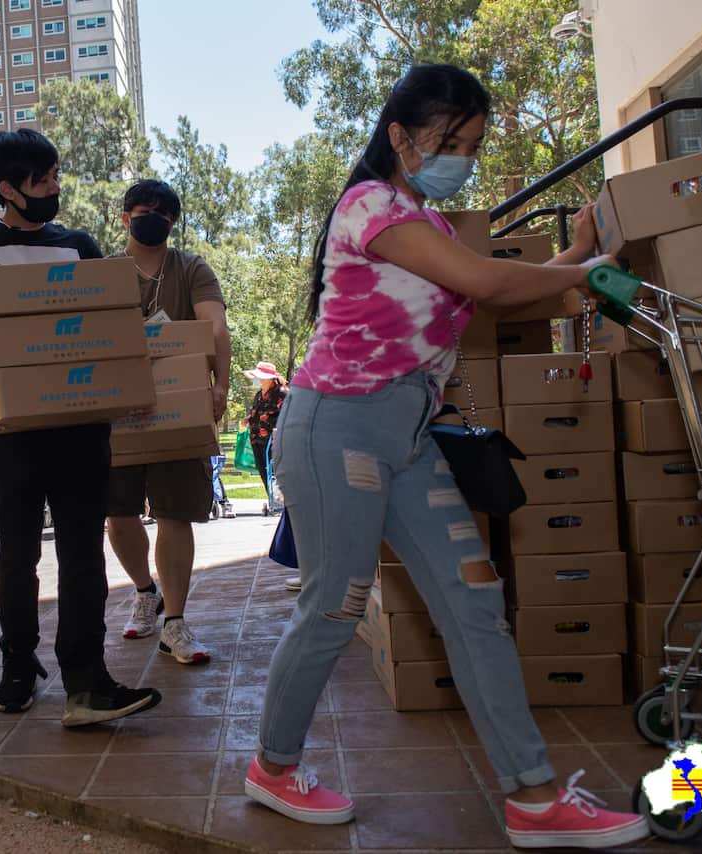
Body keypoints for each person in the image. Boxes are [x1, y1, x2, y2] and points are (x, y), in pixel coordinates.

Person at [242, 64, 647, 850]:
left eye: (472, 146)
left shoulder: (427, 225)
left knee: (474, 602)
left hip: (407, 437)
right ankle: (273, 766)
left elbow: (500, 284)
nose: (462, 158)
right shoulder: (370, 206)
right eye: (449, 142)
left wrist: (578, 256)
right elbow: (486, 282)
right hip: (336, 431)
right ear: (399, 136)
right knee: (335, 604)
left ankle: (534, 799)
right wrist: (583, 269)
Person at [0, 128, 161, 726]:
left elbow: (108, 318)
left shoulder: (78, 244)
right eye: (45, 180)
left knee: (83, 551)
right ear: (10, 189)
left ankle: (86, 682)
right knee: (18, 549)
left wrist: (126, 385)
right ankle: (18, 662)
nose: (55, 187)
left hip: (81, 424)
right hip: (7, 427)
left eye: (56, 176)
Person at [107, 179, 230, 665]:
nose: (152, 219)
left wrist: (220, 386)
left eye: (163, 213)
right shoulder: (105, 272)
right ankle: (145, 592)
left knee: (175, 513)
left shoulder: (191, 268)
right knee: (119, 514)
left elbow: (215, 326)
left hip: (180, 407)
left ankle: (175, 623)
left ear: (173, 222)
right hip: (118, 411)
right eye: (143, 211)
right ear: (125, 218)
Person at [243, 361, 286, 516]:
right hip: (256, 438)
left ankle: (281, 502)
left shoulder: (282, 392)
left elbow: (287, 414)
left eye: (262, 376)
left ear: (271, 378)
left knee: (274, 469)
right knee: (263, 469)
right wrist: (248, 419)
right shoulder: (259, 395)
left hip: (273, 439)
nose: (260, 379)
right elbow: (256, 412)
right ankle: (273, 500)